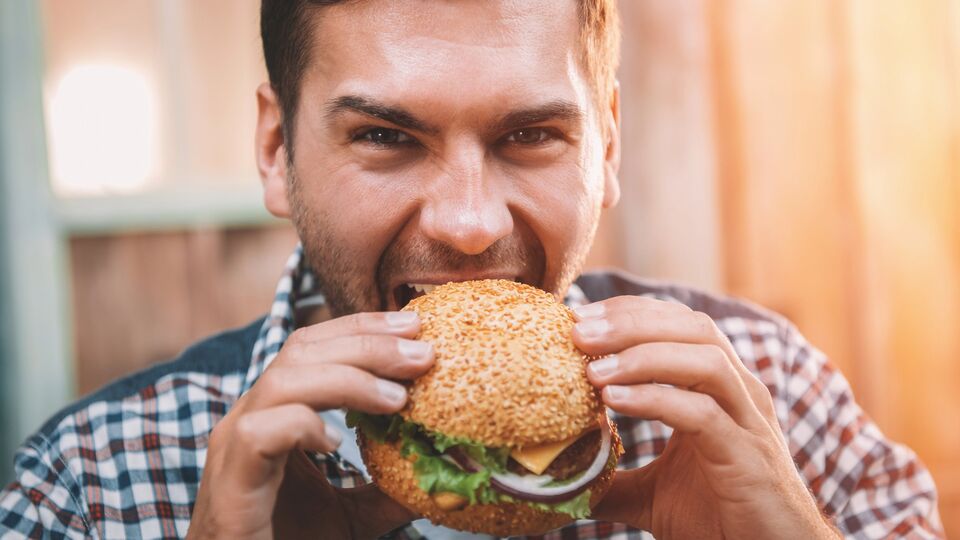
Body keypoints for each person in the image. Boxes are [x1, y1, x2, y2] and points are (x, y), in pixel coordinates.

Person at [0, 1, 944, 538]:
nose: (465, 224)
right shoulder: (85, 483)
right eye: (383, 137)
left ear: (607, 146)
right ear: (277, 147)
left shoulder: (778, 396)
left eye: (531, 134)